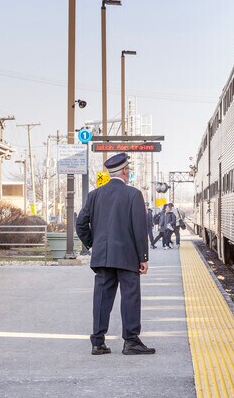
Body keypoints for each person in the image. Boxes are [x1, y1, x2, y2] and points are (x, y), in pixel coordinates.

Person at [76, 152, 155, 356]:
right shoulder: (133, 194)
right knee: (130, 297)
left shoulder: (94, 195)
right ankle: (131, 342)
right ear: (125, 171)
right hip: (127, 257)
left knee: (102, 298)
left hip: (102, 256)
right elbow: (139, 228)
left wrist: (94, 244)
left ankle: (98, 342)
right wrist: (143, 258)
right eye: (129, 170)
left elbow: (81, 223)